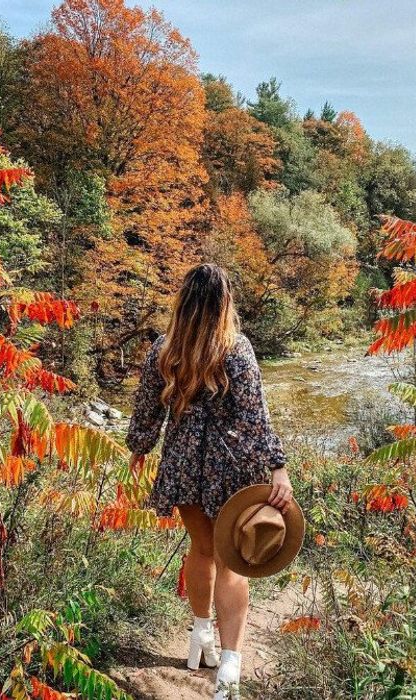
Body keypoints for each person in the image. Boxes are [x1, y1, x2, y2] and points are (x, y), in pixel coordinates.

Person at [126, 263, 293, 700]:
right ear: (225, 303)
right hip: (230, 467)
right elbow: (255, 417)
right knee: (233, 562)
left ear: (183, 302)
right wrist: (277, 466)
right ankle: (231, 668)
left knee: (201, 550)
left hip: (182, 463)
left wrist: (140, 448)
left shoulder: (164, 349)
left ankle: (200, 636)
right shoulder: (236, 349)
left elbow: (147, 408)